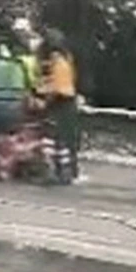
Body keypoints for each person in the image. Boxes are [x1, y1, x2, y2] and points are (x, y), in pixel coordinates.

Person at [38, 28, 79, 184]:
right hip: (65, 101)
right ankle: (65, 171)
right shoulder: (65, 58)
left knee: (52, 138)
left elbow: (55, 87)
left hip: (59, 102)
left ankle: (54, 171)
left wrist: (44, 101)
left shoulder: (56, 61)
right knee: (61, 140)